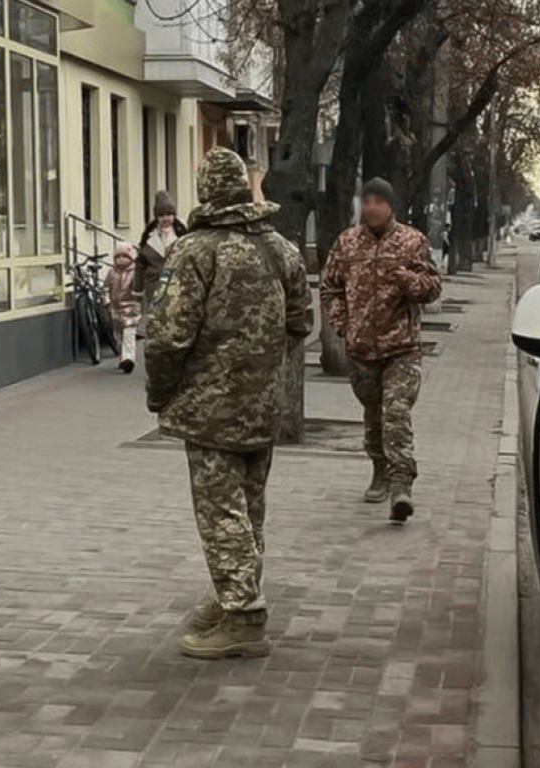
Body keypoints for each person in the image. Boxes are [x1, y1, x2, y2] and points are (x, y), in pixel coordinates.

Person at [144, 147, 313, 660]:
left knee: (221, 511)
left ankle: (242, 615)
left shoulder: (195, 251)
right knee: (248, 508)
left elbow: (167, 336)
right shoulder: (281, 248)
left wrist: (161, 393)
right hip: (263, 405)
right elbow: (300, 321)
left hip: (210, 408)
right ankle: (233, 595)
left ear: (205, 192)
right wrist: (264, 368)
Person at [321, 178, 442, 523]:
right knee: (374, 416)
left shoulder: (412, 241)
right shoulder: (347, 242)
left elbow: (432, 287)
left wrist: (408, 280)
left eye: (379, 201)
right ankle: (380, 469)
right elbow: (330, 288)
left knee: (396, 413)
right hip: (361, 350)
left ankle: (401, 485)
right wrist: (343, 324)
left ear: (391, 205)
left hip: (401, 348)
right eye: (367, 201)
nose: (372, 207)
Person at [133, 190, 187, 303]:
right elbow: (140, 267)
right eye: (162, 215)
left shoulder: (183, 237)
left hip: (176, 289)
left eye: (169, 215)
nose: (166, 218)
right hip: (152, 290)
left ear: (174, 216)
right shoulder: (148, 238)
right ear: (157, 217)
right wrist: (137, 290)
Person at [104, 241, 142, 374]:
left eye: (125, 256)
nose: (121, 259)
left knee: (129, 333)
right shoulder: (111, 272)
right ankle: (122, 356)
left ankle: (128, 359)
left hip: (131, 307)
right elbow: (106, 287)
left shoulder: (136, 272)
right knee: (118, 335)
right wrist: (106, 300)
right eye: (118, 256)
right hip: (115, 308)